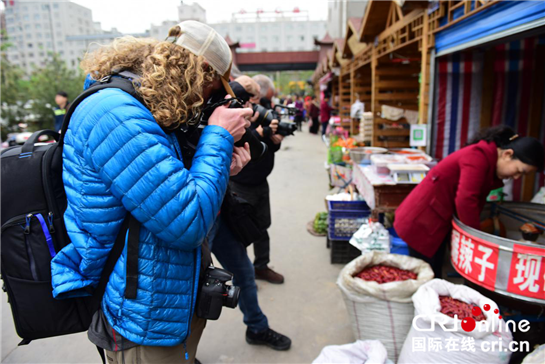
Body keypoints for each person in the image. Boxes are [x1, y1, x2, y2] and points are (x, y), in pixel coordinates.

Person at [50, 21, 253, 364]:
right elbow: (187, 221)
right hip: (142, 318)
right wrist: (217, 137)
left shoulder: (142, 106)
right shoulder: (116, 113)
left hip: (162, 302)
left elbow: (168, 188)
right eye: (213, 90)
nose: (208, 100)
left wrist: (222, 167)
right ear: (198, 73)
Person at [205, 76, 292, 351]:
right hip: (197, 217)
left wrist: (262, 135)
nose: (247, 106)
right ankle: (179, 351)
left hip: (219, 210)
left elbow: (258, 148)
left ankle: (257, 327)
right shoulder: (199, 112)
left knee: (243, 271)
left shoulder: (230, 111)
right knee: (187, 287)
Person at [394, 126, 544, 278]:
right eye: (519, 171)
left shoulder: (489, 163)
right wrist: (476, 240)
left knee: (434, 274)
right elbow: (466, 200)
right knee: (424, 276)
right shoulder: (477, 157)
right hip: (422, 220)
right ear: (507, 154)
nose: (517, 177)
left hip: (437, 219)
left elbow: (474, 202)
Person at [229, 74, 286, 284]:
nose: (256, 103)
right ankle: (243, 276)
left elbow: (270, 146)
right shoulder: (232, 112)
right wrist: (257, 132)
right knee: (241, 232)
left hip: (261, 182)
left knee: (263, 227)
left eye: (260, 99)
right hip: (240, 184)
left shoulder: (264, 111)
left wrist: (275, 138)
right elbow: (239, 144)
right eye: (253, 98)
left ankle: (261, 266)